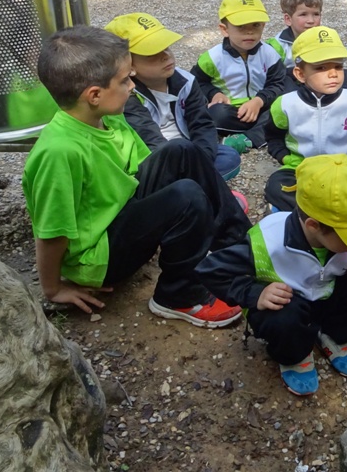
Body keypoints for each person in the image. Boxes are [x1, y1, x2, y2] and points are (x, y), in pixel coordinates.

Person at [23, 26, 244, 327]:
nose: (132, 85)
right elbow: (51, 232)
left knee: (182, 151)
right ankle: (178, 296)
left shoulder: (108, 116)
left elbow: (150, 166)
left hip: (119, 211)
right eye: (125, 79)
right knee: (188, 197)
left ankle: (241, 242)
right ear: (94, 95)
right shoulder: (60, 152)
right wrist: (53, 288)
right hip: (100, 257)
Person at [197, 155, 347, 396]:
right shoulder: (267, 241)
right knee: (282, 318)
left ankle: (334, 335)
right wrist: (255, 293)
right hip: (288, 307)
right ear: (314, 225)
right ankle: (294, 355)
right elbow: (211, 270)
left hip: (329, 298)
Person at [106, 13, 244, 183]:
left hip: (189, 152)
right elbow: (149, 140)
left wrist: (201, 161)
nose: (166, 55)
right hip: (155, 159)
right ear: (129, 65)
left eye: (166, 47)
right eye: (152, 53)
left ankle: (196, 188)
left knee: (229, 157)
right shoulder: (127, 94)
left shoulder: (185, 81)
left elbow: (202, 124)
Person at [264, 27, 347, 212]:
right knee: (276, 185)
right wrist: (284, 157)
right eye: (321, 67)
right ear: (300, 74)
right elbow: (273, 136)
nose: (332, 74)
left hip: (342, 167)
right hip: (300, 167)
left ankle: (305, 212)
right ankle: (325, 213)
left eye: (338, 66)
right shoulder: (285, 105)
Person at [192, 0, 286, 148]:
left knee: (284, 106)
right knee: (214, 113)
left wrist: (258, 101)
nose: (249, 32)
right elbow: (197, 83)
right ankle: (264, 132)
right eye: (241, 26)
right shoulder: (212, 58)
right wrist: (214, 94)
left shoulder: (270, 54)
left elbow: (278, 83)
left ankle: (248, 139)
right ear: (224, 29)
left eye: (255, 25)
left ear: (263, 26)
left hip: (262, 108)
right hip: (232, 112)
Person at [268, 0, 323, 72]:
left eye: (316, 14)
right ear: (288, 19)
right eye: (303, 14)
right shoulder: (278, 47)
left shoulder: (326, 40)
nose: (311, 21)